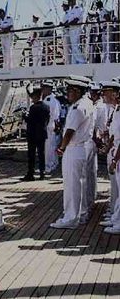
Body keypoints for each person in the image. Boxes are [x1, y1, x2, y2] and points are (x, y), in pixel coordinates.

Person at [51, 75, 95, 229]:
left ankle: (70, 218)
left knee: (72, 186)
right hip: (81, 148)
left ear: (77, 91)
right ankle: (81, 214)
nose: (67, 94)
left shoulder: (78, 108)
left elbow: (69, 131)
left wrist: (61, 147)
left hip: (74, 148)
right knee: (80, 184)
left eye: (69, 90)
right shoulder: (87, 103)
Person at [98, 81, 119, 229]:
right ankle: (116, 218)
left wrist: (114, 160)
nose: (102, 95)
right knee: (117, 189)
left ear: (115, 93)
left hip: (118, 155)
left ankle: (118, 222)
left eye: (105, 92)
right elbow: (114, 135)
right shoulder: (116, 110)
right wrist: (107, 148)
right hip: (115, 152)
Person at [85, 82, 103, 216]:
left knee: (87, 174)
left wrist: (99, 142)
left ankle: (87, 203)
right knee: (91, 172)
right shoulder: (96, 105)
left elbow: (98, 127)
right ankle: (91, 199)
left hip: (91, 142)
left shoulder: (99, 106)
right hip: (93, 142)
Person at [23, 86, 49, 181]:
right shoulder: (46, 107)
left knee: (31, 155)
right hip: (42, 134)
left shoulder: (33, 108)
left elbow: (30, 121)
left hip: (33, 135)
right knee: (41, 154)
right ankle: (42, 172)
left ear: (35, 97)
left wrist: (24, 117)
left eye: (32, 97)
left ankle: (31, 173)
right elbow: (47, 120)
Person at [41, 80, 62, 174]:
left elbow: (55, 116)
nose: (43, 90)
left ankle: (48, 166)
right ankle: (54, 163)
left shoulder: (51, 101)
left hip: (49, 127)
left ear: (49, 89)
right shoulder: (51, 99)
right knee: (52, 147)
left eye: (44, 88)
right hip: (49, 127)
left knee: (48, 148)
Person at [65, 0, 87, 64]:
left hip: (76, 28)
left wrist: (68, 24)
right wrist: (64, 24)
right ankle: (75, 61)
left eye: (69, 1)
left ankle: (81, 61)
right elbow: (68, 20)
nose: (69, 2)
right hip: (71, 29)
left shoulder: (78, 9)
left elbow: (76, 19)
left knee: (75, 45)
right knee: (73, 45)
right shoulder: (71, 10)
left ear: (73, 1)